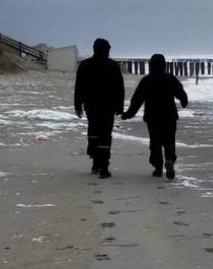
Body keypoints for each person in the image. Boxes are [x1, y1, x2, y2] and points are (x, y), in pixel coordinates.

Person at [121, 54, 188, 180]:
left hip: (153, 117)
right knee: (169, 141)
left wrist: (128, 114)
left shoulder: (147, 80)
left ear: (151, 65)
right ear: (164, 65)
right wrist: (184, 102)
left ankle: (158, 168)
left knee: (155, 142)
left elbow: (137, 100)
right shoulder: (170, 78)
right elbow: (181, 93)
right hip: (169, 116)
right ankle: (169, 159)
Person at [74, 38, 125, 179]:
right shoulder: (113, 66)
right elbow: (119, 88)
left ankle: (95, 159)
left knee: (93, 130)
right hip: (108, 106)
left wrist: (78, 105)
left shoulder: (85, 65)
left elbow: (79, 87)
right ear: (107, 50)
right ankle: (104, 166)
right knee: (105, 135)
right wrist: (120, 106)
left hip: (91, 105)